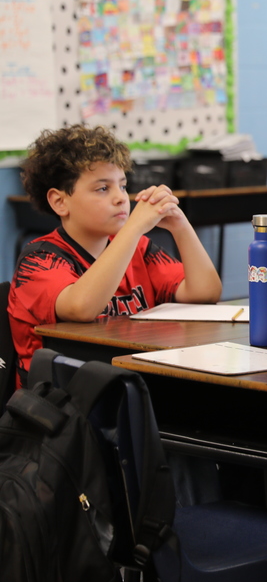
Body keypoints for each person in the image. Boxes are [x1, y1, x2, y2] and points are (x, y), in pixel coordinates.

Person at [8, 125, 222, 387]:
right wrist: (133, 227)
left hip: (127, 386)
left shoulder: (138, 248)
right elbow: (81, 306)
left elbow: (206, 292)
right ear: (59, 202)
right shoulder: (38, 260)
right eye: (102, 189)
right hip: (62, 409)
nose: (121, 199)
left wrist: (181, 226)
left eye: (122, 186)